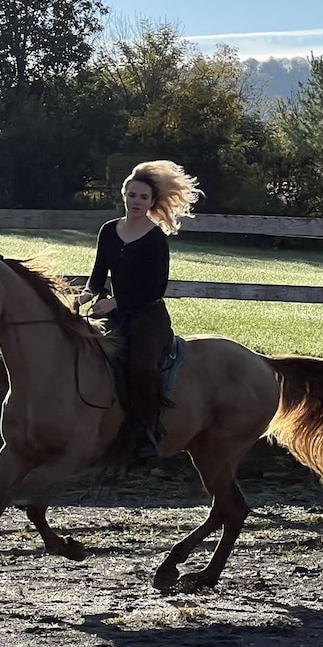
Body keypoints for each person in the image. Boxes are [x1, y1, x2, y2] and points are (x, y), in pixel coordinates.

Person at [73, 160, 202, 461]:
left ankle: (148, 430)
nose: (137, 202)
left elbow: (154, 289)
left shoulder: (156, 239)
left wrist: (114, 303)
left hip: (148, 318)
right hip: (115, 316)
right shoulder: (108, 231)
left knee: (141, 367)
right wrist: (83, 297)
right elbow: (97, 276)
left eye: (143, 197)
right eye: (132, 195)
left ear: (152, 202)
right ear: (124, 195)